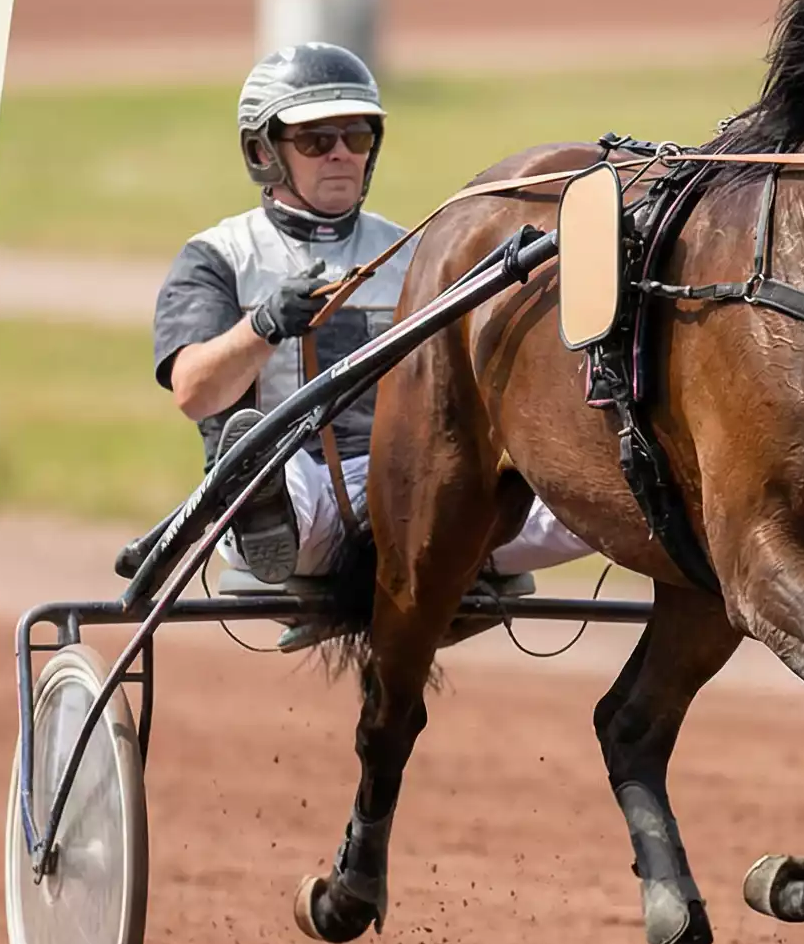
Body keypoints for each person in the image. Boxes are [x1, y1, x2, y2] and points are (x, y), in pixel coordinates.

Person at [151, 42, 592, 593]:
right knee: (270, 466)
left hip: (403, 487)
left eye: (356, 137)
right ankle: (265, 514)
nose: (341, 154)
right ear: (263, 152)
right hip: (294, 479)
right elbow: (195, 391)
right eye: (316, 140)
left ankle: (463, 540)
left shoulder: (411, 251)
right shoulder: (220, 255)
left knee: (586, 487)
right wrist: (262, 326)